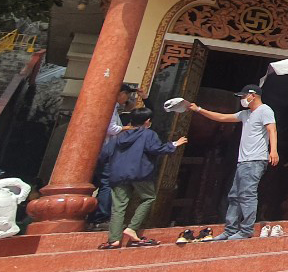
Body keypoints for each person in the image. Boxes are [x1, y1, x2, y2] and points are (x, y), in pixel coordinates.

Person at [187, 85, 277, 240]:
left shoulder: (265, 110)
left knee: (247, 194)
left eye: (243, 97)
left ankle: (246, 229)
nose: (242, 100)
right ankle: (230, 229)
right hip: (243, 161)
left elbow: (272, 130)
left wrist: (273, 151)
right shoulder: (245, 114)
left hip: (255, 160)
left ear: (253, 95)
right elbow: (222, 117)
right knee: (234, 195)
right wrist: (199, 110)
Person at [97, 107, 187, 249]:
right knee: (148, 197)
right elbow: (156, 149)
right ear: (147, 122)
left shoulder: (120, 136)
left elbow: (104, 154)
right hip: (139, 173)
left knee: (118, 207)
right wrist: (174, 144)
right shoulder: (148, 134)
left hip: (118, 174)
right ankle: (132, 227)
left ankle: (114, 239)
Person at [89, 85, 138, 229]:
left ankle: (95, 217)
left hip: (104, 151)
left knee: (102, 183)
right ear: (121, 93)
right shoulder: (109, 107)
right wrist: (127, 128)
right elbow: (110, 129)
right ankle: (101, 218)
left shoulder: (114, 108)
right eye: (126, 96)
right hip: (106, 150)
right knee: (106, 184)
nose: (127, 99)